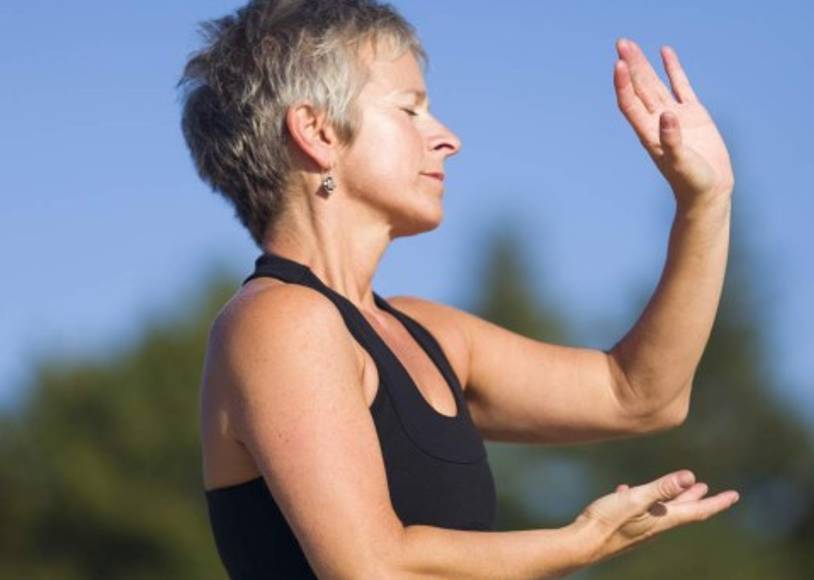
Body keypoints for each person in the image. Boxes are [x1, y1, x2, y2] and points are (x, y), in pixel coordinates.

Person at [180, 0, 738, 578]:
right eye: (410, 110)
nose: (448, 138)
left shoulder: (430, 336)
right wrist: (582, 542)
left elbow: (642, 396)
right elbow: (374, 568)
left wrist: (705, 203)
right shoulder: (278, 322)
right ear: (318, 132)